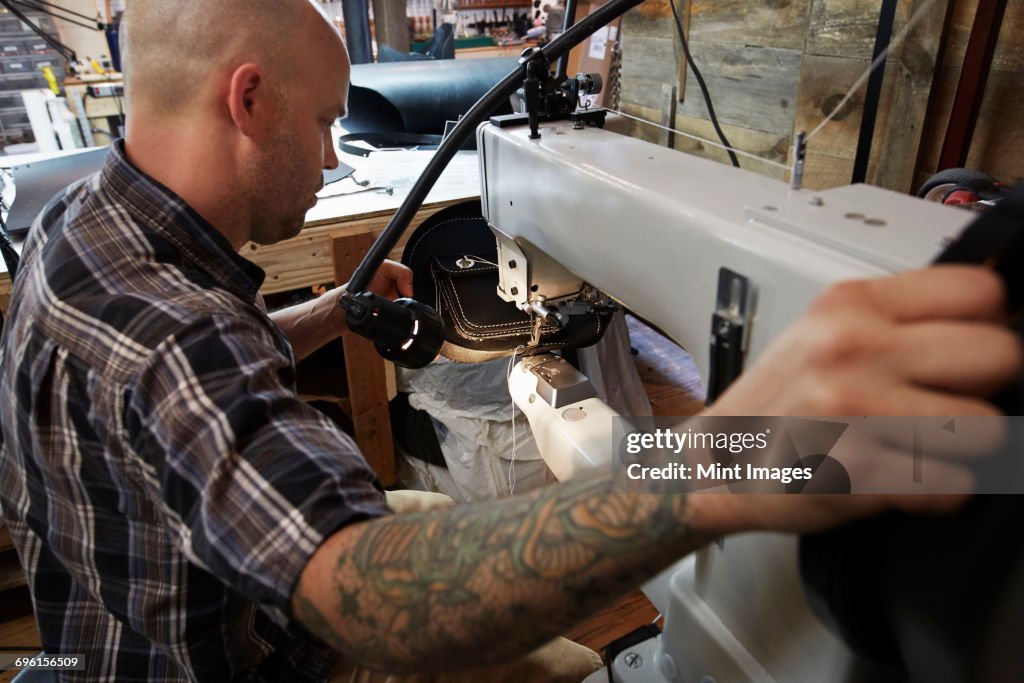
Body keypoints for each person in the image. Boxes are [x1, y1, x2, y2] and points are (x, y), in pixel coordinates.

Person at [0, 1, 1019, 681]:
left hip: (123, 609)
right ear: (248, 98)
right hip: (236, 654)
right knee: (570, 664)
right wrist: (728, 454)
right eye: (320, 123)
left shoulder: (80, 223)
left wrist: (321, 315)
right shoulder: (178, 334)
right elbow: (366, 601)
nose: (326, 156)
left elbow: (171, 386)